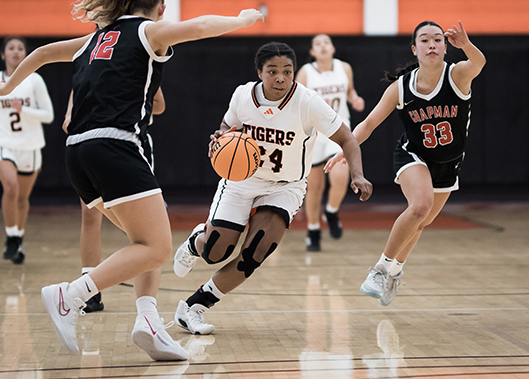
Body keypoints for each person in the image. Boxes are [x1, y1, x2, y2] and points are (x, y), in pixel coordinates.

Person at [0, 0, 264, 360]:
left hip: (77, 152)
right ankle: (71, 295)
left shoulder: (94, 38)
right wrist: (244, 19)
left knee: (146, 240)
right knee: (157, 246)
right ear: (159, 8)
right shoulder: (147, 31)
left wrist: (5, 86)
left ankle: (148, 323)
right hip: (114, 146)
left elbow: (40, 53)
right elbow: (200, 26)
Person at [172, 42, 372, 335]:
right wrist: (220, 139)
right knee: (215, 252)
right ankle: (196, 242)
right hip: (243, 181)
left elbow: (348, 139)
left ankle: (194, 308)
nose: (281, 77)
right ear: (260, 72)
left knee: (255, 252)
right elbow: (226, 128)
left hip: (285, 186)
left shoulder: (308, 102)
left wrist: (358, 174)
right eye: (273, 71)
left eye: (288, 71)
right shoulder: (243, 95)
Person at [325, 20, 486, 306]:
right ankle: (380, 269)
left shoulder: (458, 75)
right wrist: (344, 150)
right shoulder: (401, 88)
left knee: (420, 224)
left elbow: (479, 62)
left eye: (438, 39)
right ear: (415, 49)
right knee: (420, 206)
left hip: (448, 163)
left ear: (446, 47)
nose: (432, 44)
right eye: (425, 40)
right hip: (413, 155)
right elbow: (370, 123)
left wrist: (467, 46)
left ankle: (394, 272)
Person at [62, 88, 165, 313]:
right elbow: (77, 84)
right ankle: (89, 289)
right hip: (92, 141)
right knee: (90, 216)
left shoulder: (137, 60)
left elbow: (159, 105)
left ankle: (147, 312)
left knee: (147, 238)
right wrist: (71, 112)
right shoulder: (91, 58)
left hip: (127, 143)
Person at [0, 36, 54, 265]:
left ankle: (18, 240)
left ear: (26, 54)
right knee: (11, 187)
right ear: (3, 54)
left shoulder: (35, 81)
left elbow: (49, 115)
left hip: (30, 145)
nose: (16, 52)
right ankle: (12, 236)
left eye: (20, 48)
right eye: (11, 48)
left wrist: (25, 109)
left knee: (22, 198)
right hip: (3, 142)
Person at [296, 34, 365, 251]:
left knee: (341, 176)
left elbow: (350, 90)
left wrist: (355, 98)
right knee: (314, 187)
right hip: (313, 133)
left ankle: (332, 211)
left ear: (333, 48)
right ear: (312, 52)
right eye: (318, 44)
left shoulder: (344, 68)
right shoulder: (305, 73)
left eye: (326, 43)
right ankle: (313, 230)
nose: (323, 46)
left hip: (338, 129)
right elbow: (296, 102)